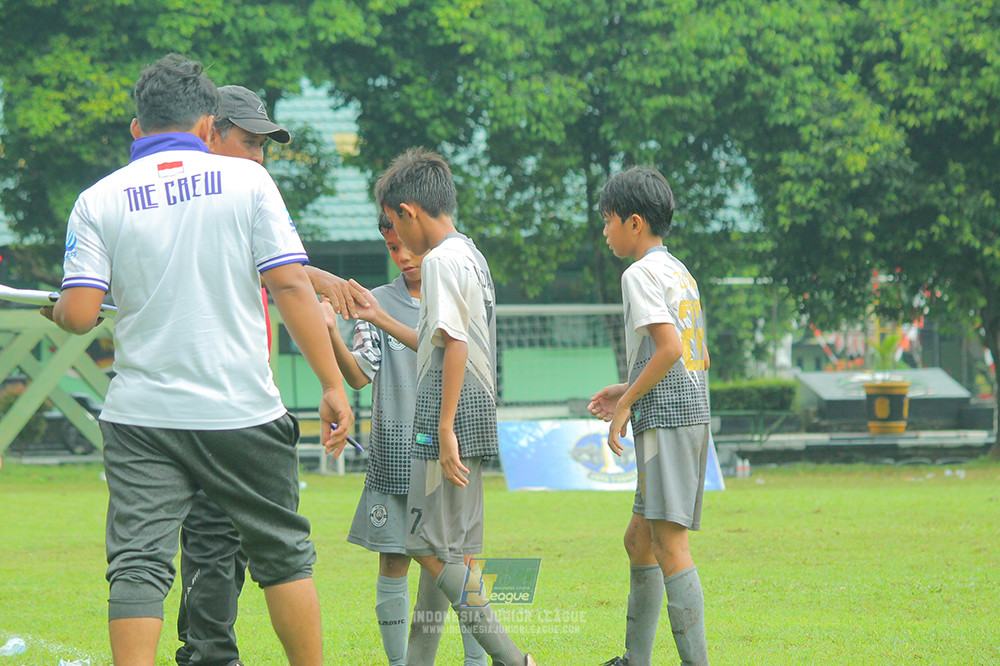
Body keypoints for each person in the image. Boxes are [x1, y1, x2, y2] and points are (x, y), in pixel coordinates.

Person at [47, 53, 353, 666]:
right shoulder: (248, 183)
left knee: (138, 561)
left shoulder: (97, 199)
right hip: (240, 408)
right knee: (283, 557)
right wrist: (331, 383)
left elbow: (80, 316)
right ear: (209, 125)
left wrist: (58, 310)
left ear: (137, 127)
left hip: (141, 417)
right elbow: (291, 288)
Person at [373, 147, 536, 666]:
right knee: (444, 550)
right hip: (477, 410)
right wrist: (379, 317)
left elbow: (455, 341)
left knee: (421, 545)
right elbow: (440, 340)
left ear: (409, 211)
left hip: (447, 415)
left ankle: (515, 660)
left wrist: (443, 428)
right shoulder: (471, 254)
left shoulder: (441, 260)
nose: (398, 239)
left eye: (395, 224)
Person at [321, 211, 487, 666]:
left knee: (461, 560)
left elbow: (456, 350)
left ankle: (480, 659)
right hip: (394, 457)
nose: (405, 256)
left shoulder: (452, 288)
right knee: (393, 561)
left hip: (444, 454)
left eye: (410, 246)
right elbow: (358, 374)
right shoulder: (374, 301)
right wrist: (332, 332)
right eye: (393, 248)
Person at [588, 166, 711, 666]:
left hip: (668, 420)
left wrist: (627, 404)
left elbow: (667, 346)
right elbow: (679, 355)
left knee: (668, 544)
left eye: (608, 220)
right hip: (688, 411)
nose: (604, 230)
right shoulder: (677, 269)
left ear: (634, 222)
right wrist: (628, 387)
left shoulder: (638, 273)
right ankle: (634, 660)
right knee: (638, 539)